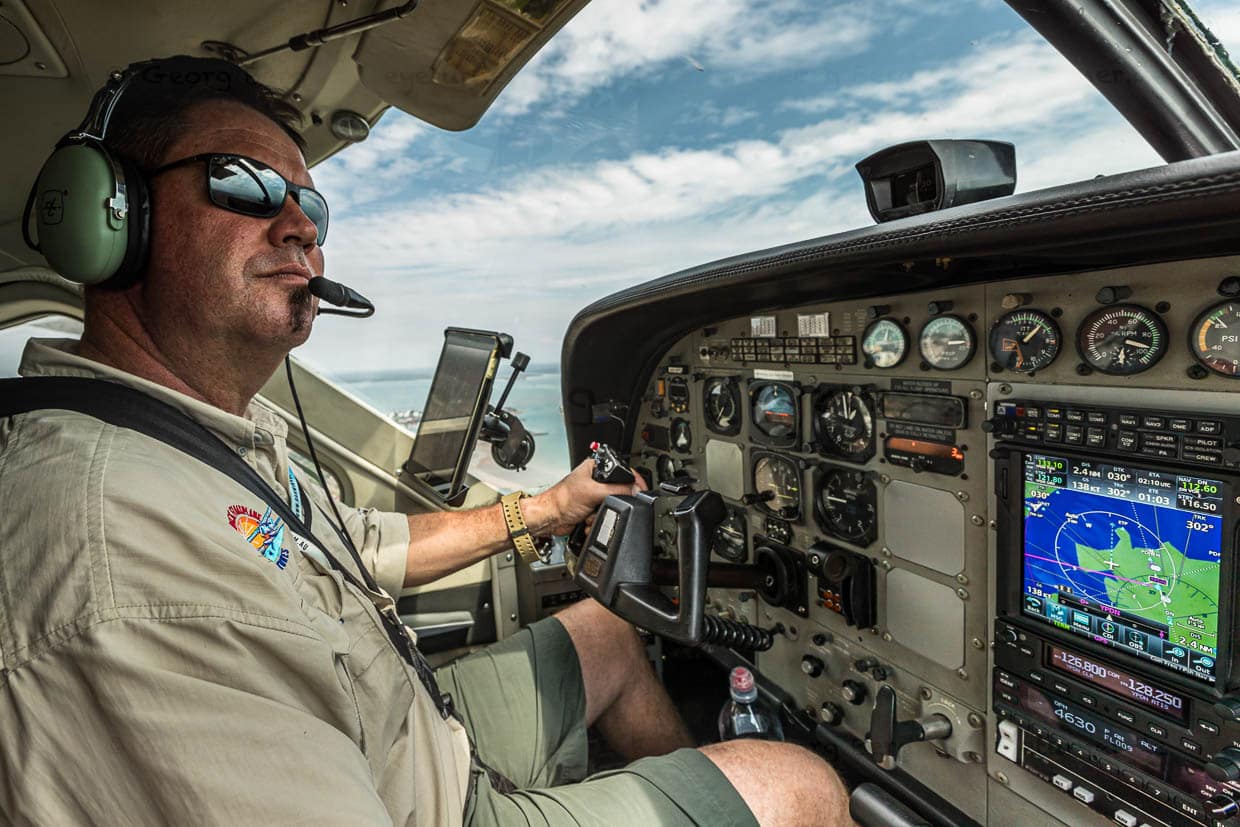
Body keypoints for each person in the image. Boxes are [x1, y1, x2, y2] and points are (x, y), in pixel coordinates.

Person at [0, 56, 853, 826]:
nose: (301, 227)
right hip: (414, 797)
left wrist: (547, 507)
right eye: (248, 184)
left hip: (404, 727)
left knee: (608, 633)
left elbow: (360, 547)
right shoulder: (115, 549)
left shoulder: (205, 436)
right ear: (113, 217)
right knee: (801, 785)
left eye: (309, 200)